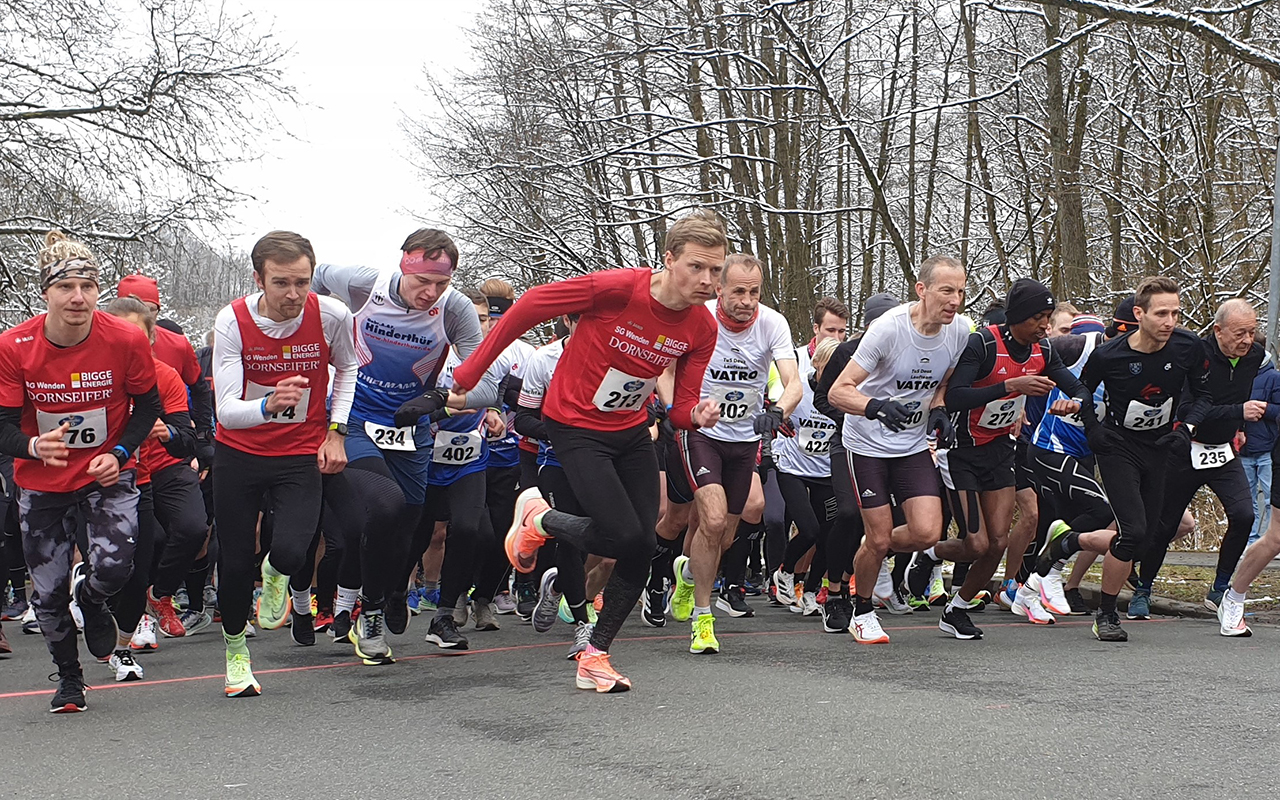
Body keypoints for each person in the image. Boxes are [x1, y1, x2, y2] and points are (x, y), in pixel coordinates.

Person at [452, 210, 726, 692]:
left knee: (642, 545)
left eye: (715, 271)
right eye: (696, 267)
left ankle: (595, 655)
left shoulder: (702, 329)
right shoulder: (618, 289)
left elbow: (681, 406)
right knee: (620, 536)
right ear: (668, 260)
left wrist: (694, 416)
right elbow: (531, 304)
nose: (707, 281)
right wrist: (470, 374)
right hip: (575, 426)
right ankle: (539, 519)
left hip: (630, 431)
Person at [310, 230, 498, 661]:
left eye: (441, 284)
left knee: (407, 525)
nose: (430, 293)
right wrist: (317, 336)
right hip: (355, 419)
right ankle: (369, 612)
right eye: (421, 283)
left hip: (409, 428)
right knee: (386, 506)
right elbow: (314, 278)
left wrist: (438, 400)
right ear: (403, 266)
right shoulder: (362, 284)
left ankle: (392, 591)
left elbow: (487, 385)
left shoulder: (455, 311)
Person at [0, 231, 162, 712]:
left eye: (88, 286)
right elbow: (2, 425)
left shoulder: (126, 337)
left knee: (115, 567)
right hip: (41, 483)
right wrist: (32, 445)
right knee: (46, 593)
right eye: (65, 286)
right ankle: (69, 679)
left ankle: (91, 597)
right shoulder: (15, 345)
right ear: (45, 292)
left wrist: (120, 452)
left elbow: (147, 405)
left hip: (104, 475)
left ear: (99, 291)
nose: (78, 297)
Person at [212, 231, 357, 696]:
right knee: (235, 563)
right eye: (281, 283)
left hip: (298, 453)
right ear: (259, 279)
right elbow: (225, 410)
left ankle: (275, 572)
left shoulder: (332, 315)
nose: (293, 294)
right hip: (240, 453)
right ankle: (236, 652)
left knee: (294, 551)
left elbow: (349, 368)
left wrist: (336, 431)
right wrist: (267, 406)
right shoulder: (232, 321)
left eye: (302, 281)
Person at [1041, 278, 1210, 642]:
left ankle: (1069, 543)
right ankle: (1106, 614)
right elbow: (1083, 391)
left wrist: (1187, 429)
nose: (1170, 321)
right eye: (1161, 313)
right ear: (1139, 314)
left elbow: (1204, 394)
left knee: (1148, 537)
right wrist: (1093, 429)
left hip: (1161, 445)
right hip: (1118, 446)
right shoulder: (1110, 354)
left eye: (1175, 313)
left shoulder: (1188, 347)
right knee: (1132, 532)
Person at [925, 278, 1088, 637]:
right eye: (1038, 318)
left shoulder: (1042, 350)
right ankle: (930, 555)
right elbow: (955, 397)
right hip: (962, 452)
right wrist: (1011, 387)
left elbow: (1076, 385)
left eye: (1049, 317)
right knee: (976, 543)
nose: (1045, 326)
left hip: (1000, 451)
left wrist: (1074, 401)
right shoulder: (982, 344)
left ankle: (957, 608)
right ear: (1017, 317)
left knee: (997, 543)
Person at [827, 255, 969, 645]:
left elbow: (947, 377)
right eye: (946, 290)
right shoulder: (888, 331)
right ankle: (862, 610)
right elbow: (838, 391)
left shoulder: (959, 330)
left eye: (960, 290)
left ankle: (872, 548)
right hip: (867, 443)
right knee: (880, 537)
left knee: (927, 532)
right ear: (921, 290)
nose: (955, 300)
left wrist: (939, 407)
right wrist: (877, 406)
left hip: (910, 444)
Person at [663, 254, 799, 654]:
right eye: (738, 291)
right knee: (713, 517)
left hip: (744, 440)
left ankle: (688, 573)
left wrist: (777, 412)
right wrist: (680, 411)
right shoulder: (696, 316)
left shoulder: (772, 323)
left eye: (754, 292)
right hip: (701, 431)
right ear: (719, 288)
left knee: (723, 532)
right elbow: (666, 370)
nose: (747, 300)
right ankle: (703, 620)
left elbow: (792, 382)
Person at [1130, 298, 1264, 617]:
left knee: (1244, 515)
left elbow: (1239, 394)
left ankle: (1220, 589)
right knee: (1164, 525)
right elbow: (1188, 409)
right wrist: (1237, 412)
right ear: (1218, 330)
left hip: (1223, 452)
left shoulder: (1254, 355)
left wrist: (1239, 425)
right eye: (1239, 333)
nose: (1246, 340)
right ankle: (1143, 589)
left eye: (1252, 332)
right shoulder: (1196, 355)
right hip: (1187, 450)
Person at [1239, 332, 1279, 547]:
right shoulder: (1236, 374)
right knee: (1247, 500)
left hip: (1267, 449)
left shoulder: (1273, 377)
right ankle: (1250, 542)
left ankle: (1272, 541)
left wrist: (1264, 409)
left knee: (1273, 497)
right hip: (1243, 449)